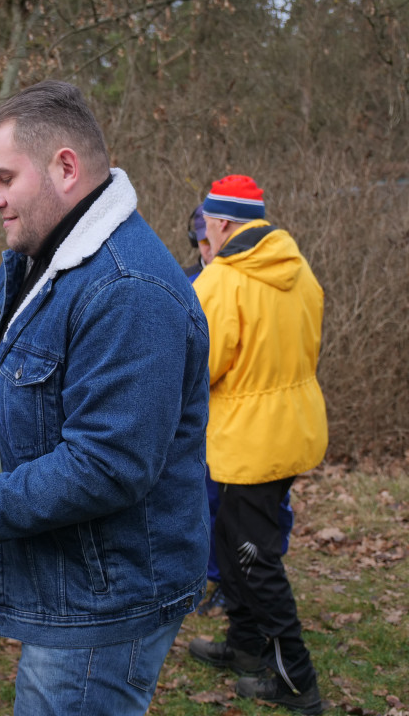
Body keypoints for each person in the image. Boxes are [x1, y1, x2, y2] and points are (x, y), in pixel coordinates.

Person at [0, 80, 211, 716]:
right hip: (73, 578)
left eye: (5, 178)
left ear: (65, 167)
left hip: (105, 597)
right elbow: (12, 346)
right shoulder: (40, 255)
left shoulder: (127, 289)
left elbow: (107, 465)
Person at [187, 175, 326, 715]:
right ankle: (245, 647)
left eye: (208, 226)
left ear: (221, 223)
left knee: (253, 557)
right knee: (229, 538)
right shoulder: (297, 269)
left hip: (248, 440)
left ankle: (298, 682)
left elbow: (201, 365)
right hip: (294, 426)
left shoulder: (223, 280)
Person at [183, 203, 296, 617]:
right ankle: (236, 611)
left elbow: (211, 363)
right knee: (220, 514)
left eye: (213, 240)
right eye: (203, 242)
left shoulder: (246, 280)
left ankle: (281, 659)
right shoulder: (193, 281)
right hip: (223, 427)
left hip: (254, 429)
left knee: (254, 534)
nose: (209, 249)